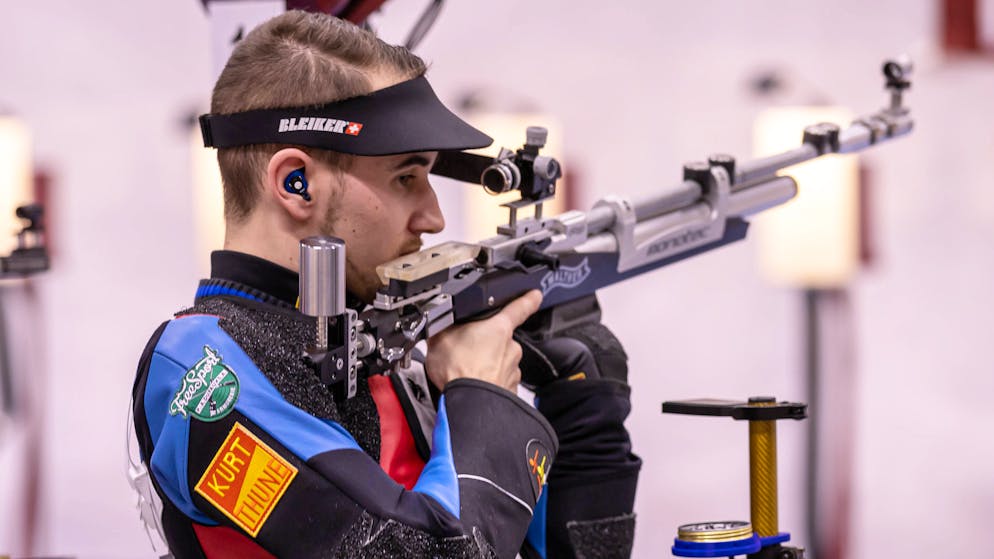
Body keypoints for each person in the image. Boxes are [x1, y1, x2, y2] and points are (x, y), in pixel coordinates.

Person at [131, 10, 640, 559]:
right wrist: (483, 398)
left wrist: (585, 412)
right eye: (406, 177)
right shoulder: (204, 371)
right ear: (295, 183)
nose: (434, 216)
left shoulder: (385, 353)